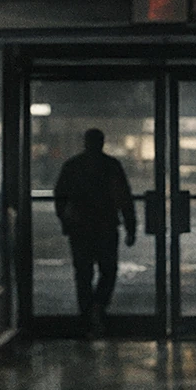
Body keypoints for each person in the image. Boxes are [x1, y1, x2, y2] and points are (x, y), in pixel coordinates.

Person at [54, 128, 137, 337]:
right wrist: (130, 227)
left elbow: (60, 197)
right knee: (108, 270)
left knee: (83, 274)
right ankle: (99, 306)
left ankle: (86, 315)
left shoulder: (72, 166)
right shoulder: (111, 166)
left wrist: (66, 222)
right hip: (106, 227)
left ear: (85, 142)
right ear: (102, 142)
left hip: (80, 228)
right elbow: (124, 198)